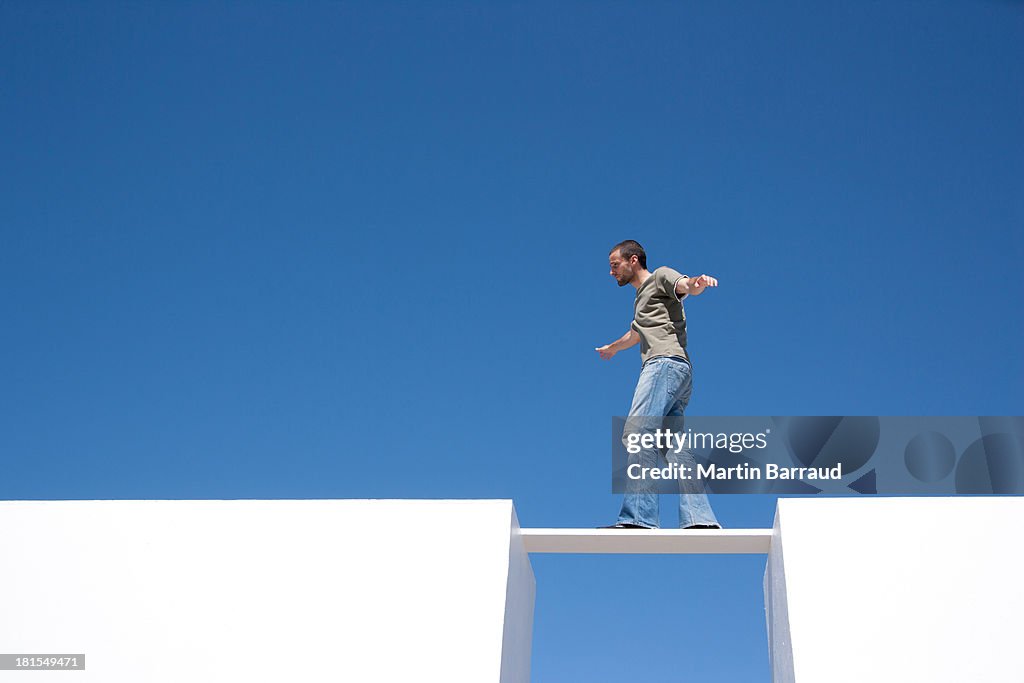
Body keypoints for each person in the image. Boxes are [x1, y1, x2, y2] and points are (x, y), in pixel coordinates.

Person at [596, 240, 721, 530]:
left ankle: (639, 517)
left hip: (663, 365)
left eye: (615, 265)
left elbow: (685, 286)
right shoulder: (641, 298)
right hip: (679, 371)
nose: (612, 272)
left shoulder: (660, 276)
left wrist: (697, 283)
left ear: (633, 260)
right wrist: (613, 348)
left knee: (638, 432)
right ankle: (699, 518)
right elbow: (635, 332)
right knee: (672, 446)